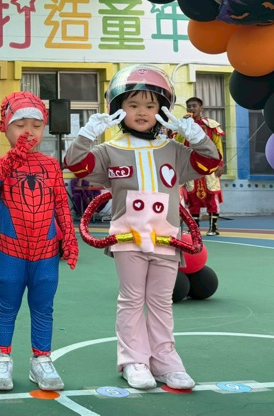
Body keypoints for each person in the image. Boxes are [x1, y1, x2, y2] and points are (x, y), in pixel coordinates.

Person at [63, 65, 220, 391]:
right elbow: (76, 164)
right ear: (118, 109)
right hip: (127, 238)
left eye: (150, 105)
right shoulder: (109, 150)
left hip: (166, 238)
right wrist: (87, 134)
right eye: (132, 105)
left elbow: (210, 162)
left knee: (161, 302)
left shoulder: (174, 150)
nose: (142, 112)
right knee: (132, 300)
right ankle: (133, 360)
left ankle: (166, 361)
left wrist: (194, 135)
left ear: (162, 110)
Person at [0, 92, 78, 392]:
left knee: (43, 307)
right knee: (6, 306)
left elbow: (61, 205)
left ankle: (41, 359)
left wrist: (70, 239)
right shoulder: (0, 164)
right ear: (5, 127)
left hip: (46, 252)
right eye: (20, 125)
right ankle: (1, 357)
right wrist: (12, 158)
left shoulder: (51, 165)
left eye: (36, 125)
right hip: (11, 251)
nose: (28, 132)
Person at [178, 97, 225, 235]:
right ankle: (195, 228)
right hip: (191, 165)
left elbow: (218, 145)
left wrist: (220, 164)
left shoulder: (211, 125)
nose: (191, 109)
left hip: (210, 164)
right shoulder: (183, 125)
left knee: (212, 194)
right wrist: (183, 126)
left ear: (201, 108)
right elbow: (178, 143)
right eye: (189, 106)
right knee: (192, 196)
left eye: (194, 106)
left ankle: (213, 228)